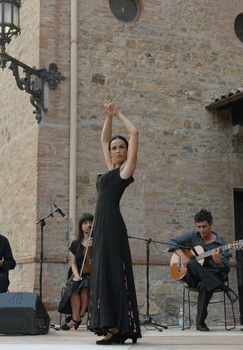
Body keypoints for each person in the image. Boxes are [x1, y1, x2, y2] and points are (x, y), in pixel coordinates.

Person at [87, 100, 141, 345]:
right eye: (115, 147)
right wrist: (108, 117)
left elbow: (135, 132)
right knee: (102, 274)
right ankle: (110, 327)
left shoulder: (125, 171)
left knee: (113, 274)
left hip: (112, 226)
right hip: (100, 226)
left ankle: (119, 328)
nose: (118, 150)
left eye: (121, 147)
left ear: (127, 151)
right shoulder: (110, 168)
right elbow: (102, 140)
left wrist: (118, 113)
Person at [168, 209, 239, 332]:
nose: (202, 230)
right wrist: (183, 256)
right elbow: (171, 242)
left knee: (204, 285)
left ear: (211, 225)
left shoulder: (220, 243)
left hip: (213, 276)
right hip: (192, 277)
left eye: (204, 226)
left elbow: (226, 270)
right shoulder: (193, 236)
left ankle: (200, 323)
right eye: (199, 227)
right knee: (191, 262)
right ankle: (225, 289)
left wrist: (219, 262)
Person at [59, 213, 94, 330]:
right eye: (85, 223)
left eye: (90, 222)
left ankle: (79, 315)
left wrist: (94, 247)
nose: (88, 225)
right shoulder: (75, 243)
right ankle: (76, 318)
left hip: (91, 274)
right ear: (81, 226)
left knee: (85, 286)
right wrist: (77, 275)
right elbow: (72, 263)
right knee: (75, 285)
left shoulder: (97, 242)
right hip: (77, 272)